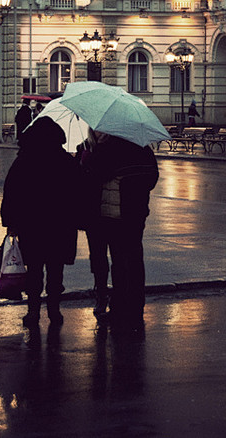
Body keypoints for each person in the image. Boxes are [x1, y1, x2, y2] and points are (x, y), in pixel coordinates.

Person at [0, 116, 84, 327]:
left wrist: (9, 221)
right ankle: (54, 311)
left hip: (31, 226)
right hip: (60, 226)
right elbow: (79, 193)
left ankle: (33, 312)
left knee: (34, 269)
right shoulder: (65, 161)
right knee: (56, 271)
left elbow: (11, 192)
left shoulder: (24, 160)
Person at [79, 129, 159, 332]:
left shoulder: (111, 149)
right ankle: (133, 304)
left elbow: (98, 173)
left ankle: (121, 304)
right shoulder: (143, 149)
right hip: (135, 213)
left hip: (115, 214)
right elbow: (152, 177)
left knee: (121, 261)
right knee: (131, 259)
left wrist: (95, 153)